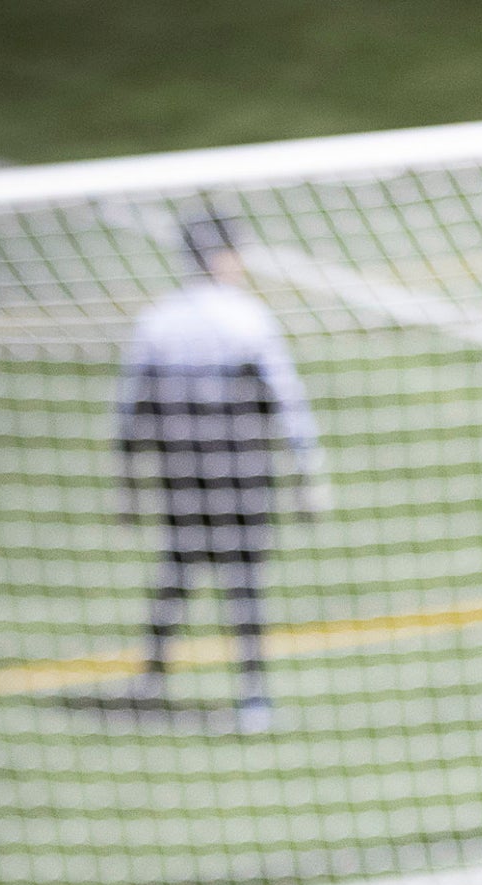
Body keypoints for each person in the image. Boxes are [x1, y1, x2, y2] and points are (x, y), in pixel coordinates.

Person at [113, 210, 324, 735]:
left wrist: (126, 483)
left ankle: (152, 680)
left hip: (181, 464)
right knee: (244, 580)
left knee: (178, 569)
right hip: (242, 465)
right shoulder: (248, 319)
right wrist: (308, 471)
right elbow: (286, 399)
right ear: (225, 257)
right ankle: (253, 697)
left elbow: (130, 406)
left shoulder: (159, 320)